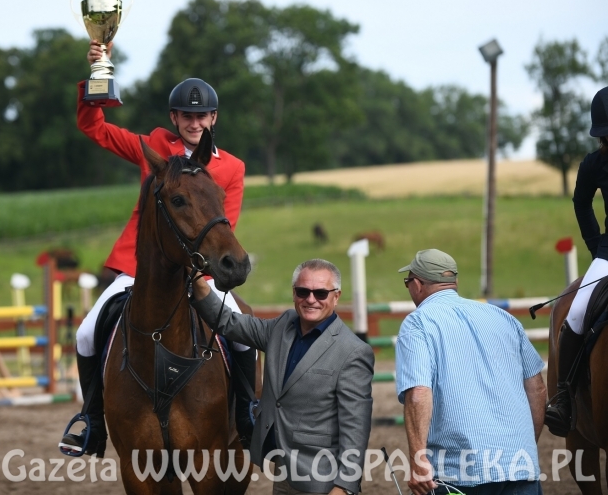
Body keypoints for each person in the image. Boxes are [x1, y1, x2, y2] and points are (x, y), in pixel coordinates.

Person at [60, 40, 256, 456]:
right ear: (174, 117)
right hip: (138, 267)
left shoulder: (231, 167)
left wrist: (201, 274)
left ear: (213, 118)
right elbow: (95, 128)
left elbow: (226, 225)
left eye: (201, 116)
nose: (194, 122)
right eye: (187, 116)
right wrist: (97, 74)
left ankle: (248, 414)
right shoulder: (154, 148)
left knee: (241, 331)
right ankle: (92, 421)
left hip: (199, 269)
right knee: (85, 333)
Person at [190, 259, 374, 495]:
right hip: (283, 472)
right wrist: (197, 280)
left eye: (320, 293)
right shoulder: (283, 325)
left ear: (336, 296)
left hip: (323, 482)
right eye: (303, 291)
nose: (311, 299)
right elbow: (229, 322)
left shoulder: (353, 352)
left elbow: (356, 428)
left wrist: (344, 487)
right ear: (294, 293)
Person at [395, 249, 547, 495]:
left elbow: (419, 393)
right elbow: (537, 388)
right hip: (520, 465)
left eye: (407, 282)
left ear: (417, 284)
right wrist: (524, 448)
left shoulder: (417, 323)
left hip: (459, 471)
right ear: (453, 282)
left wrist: (418, 461)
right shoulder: (503, 317)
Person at [546, 85, 608, 436]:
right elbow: (581, 203)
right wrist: (595, 245)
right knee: (577, 313)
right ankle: (563, 399)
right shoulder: (594, 163)